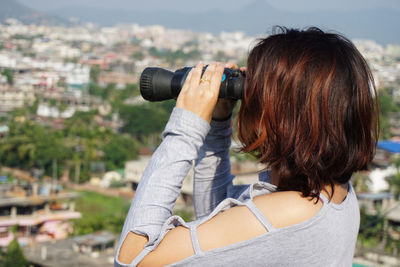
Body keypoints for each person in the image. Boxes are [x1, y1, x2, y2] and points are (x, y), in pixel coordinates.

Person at [115, 27, 378, 266]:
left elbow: (131, 260)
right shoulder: (335, 193)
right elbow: (218, 224)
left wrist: (186, 126)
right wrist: (218, 123)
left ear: (284, 114)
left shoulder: (292, 210)